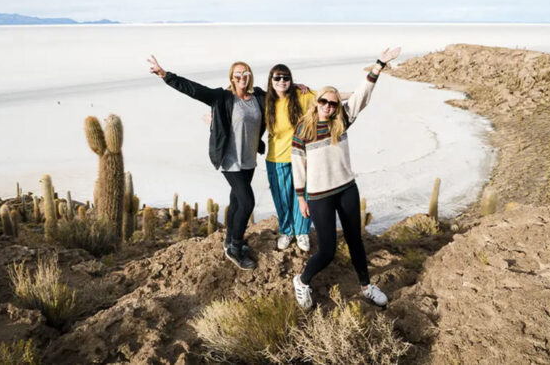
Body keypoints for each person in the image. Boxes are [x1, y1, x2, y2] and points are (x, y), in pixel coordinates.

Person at [291, 47, 401, 309]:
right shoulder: (304, 129)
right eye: (324, 102)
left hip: (346, 189)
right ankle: (302, 280)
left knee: (355, 240)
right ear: (316, 102)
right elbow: (298, 164)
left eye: (332, 103)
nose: (328, 107)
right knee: (327, 250)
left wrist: (379, 64)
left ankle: (366, 286)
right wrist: (300, 197)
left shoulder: (342, 120)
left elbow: (362, 95)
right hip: (319, 196)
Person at [147, 56, 264, 270]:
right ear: (232, 77)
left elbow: (280, 95)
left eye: (245, 73)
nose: (242, 77)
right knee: (247, 202)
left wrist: (299, 87)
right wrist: (166, 75)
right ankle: (235, 248)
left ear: (250, 76)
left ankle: (230, 240)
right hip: (229, 159)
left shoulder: (258, 97)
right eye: (237, 74)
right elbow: (194, 89)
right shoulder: (222, 97)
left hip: (249, 159)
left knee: (237, 200)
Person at [264, 64, 315, 252]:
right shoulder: (265, 100)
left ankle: (302, 232)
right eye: (277, 78)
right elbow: (238, 97)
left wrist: (358, 93)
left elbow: (326, 98)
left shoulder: (301, 96)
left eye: (286, 78)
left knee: (304, 196)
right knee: (282, 198)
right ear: (271, 80)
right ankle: (287, 231)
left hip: (302, 156)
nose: (282, 81)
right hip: (276, 158)